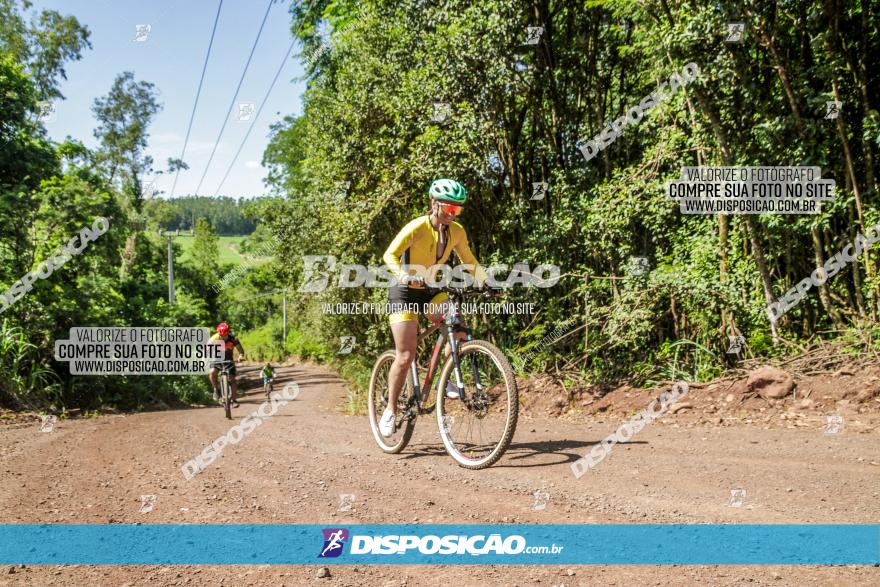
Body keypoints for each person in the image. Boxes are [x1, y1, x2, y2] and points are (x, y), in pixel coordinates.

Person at [378, 178, 489, 438]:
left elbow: (469, 260)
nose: (452, 214)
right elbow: (389, 255)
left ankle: (443, 379)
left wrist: (486, 284)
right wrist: (404, 276)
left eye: (457, 210)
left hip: (429, 290)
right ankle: (391, 410)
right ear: (434, 204)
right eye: (449, 209)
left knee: (458, 328)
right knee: (405, 356)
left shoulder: (457, 232)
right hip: (404, 291)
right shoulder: (417, 226)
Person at [208, 322, 246, 407]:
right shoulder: (214, 338)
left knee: (232, 379)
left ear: (228, 332)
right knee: (212, 372)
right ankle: (216, 389)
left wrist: (240, 356)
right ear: (218, 333)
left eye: (225, 335)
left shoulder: (233, 338)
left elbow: (241, 350)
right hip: (216, 359)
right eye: (221, 335)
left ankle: (234, 400)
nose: (223, 337)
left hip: (229, 360)